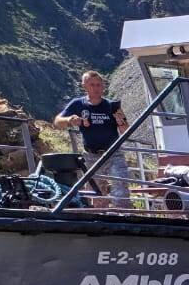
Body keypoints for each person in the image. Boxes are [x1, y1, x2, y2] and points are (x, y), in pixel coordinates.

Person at [53, 71, 131, 207]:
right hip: (91, 156)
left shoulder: (112, 105)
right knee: (95, 193)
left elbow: (126, 131)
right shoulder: (78, 104)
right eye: (92, 85)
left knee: (120, 185)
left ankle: (124, 214)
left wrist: (120, 122)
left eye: (99, 85)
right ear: (84, 86)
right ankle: (100, 216)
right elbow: (57, 121)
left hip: (113, 153)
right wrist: (70, 120)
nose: (96, 88)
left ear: (103, 87)